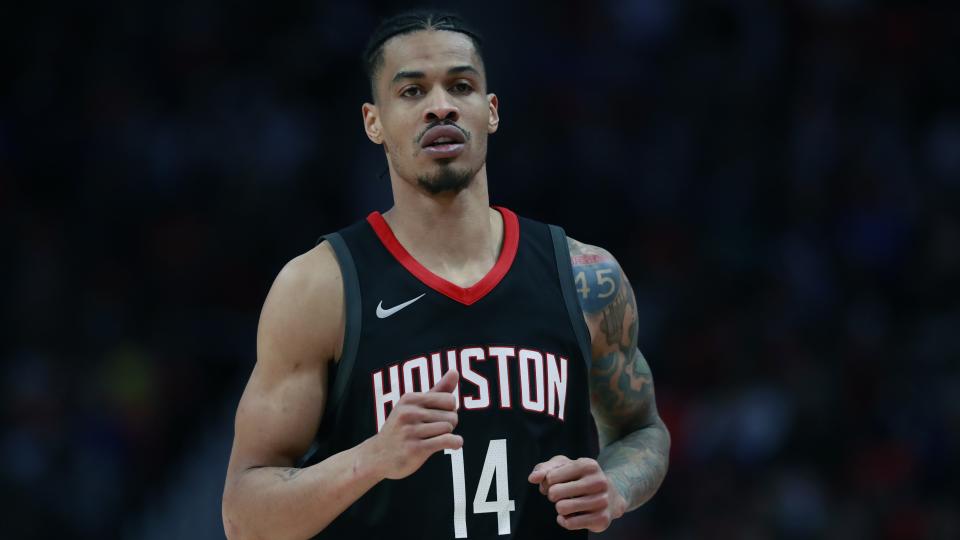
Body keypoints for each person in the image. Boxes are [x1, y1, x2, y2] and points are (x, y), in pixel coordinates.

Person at [222, 9, 670, 540]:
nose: (441, 107)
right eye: (412, 92)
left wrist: (614, 487)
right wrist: (372, 458)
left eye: (461, 86)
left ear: (491, 110)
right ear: (374, 122)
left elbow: (641, 429)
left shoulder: (584, 275)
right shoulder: (320, 288)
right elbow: (244, 517)